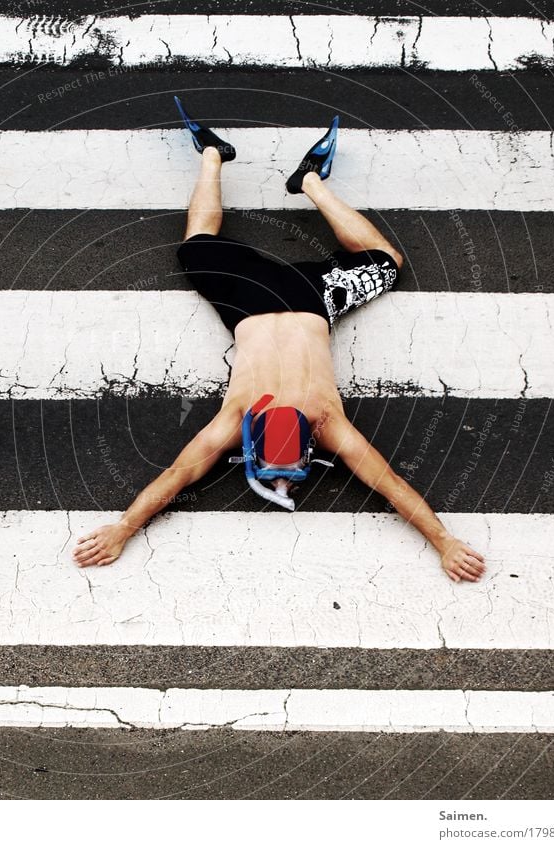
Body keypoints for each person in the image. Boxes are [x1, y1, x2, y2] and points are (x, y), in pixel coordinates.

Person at [73, 99, 486, 583]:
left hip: (311, 300)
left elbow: (180, 477)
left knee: (385, 260)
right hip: (252, 300)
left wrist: (445, 541)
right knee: (197, 241)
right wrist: (122, 527)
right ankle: (218, 155)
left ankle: (305, 179)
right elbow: (176, 476)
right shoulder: (286, 418)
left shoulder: (301, 421)